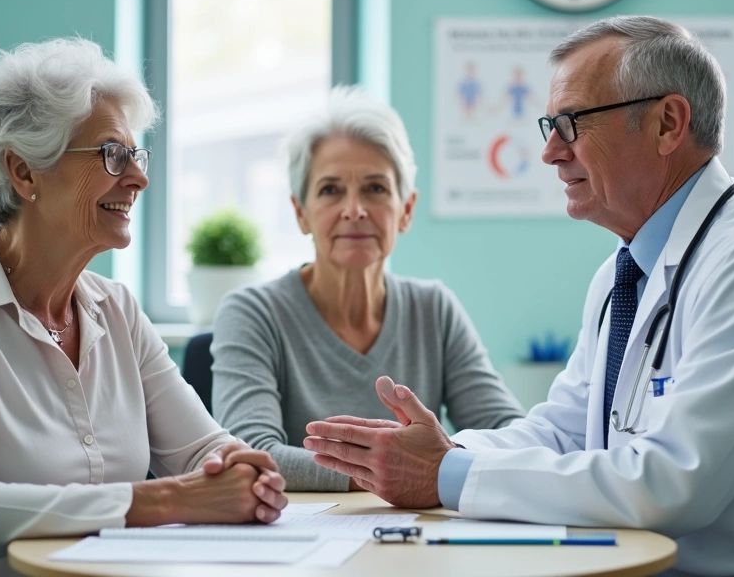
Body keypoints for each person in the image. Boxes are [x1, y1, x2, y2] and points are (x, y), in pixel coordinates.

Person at [304, 17, 734, 576]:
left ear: (668, 123)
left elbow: (669, 484)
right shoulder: (625, 271)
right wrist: (439, 450)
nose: (551, 152)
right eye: (549, 127)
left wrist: (445, 473)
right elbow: (562, 431)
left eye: (574, 123)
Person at [0, 38, 287, 577]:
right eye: (111, 154)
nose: (138, 177)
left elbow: (204, 449)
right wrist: (169, 501)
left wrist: (243, 473)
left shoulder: (118, 309)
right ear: (24, 171)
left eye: (136, 155)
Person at [212, 86, 526, 492]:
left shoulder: (433, 308)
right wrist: (402, 470)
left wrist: (430, 468)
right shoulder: (252, 311)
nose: (355, 209)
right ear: (301, 213)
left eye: (375, 188)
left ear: (406, 210)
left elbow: (510, 432)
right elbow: (250, 452)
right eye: (330, 190)